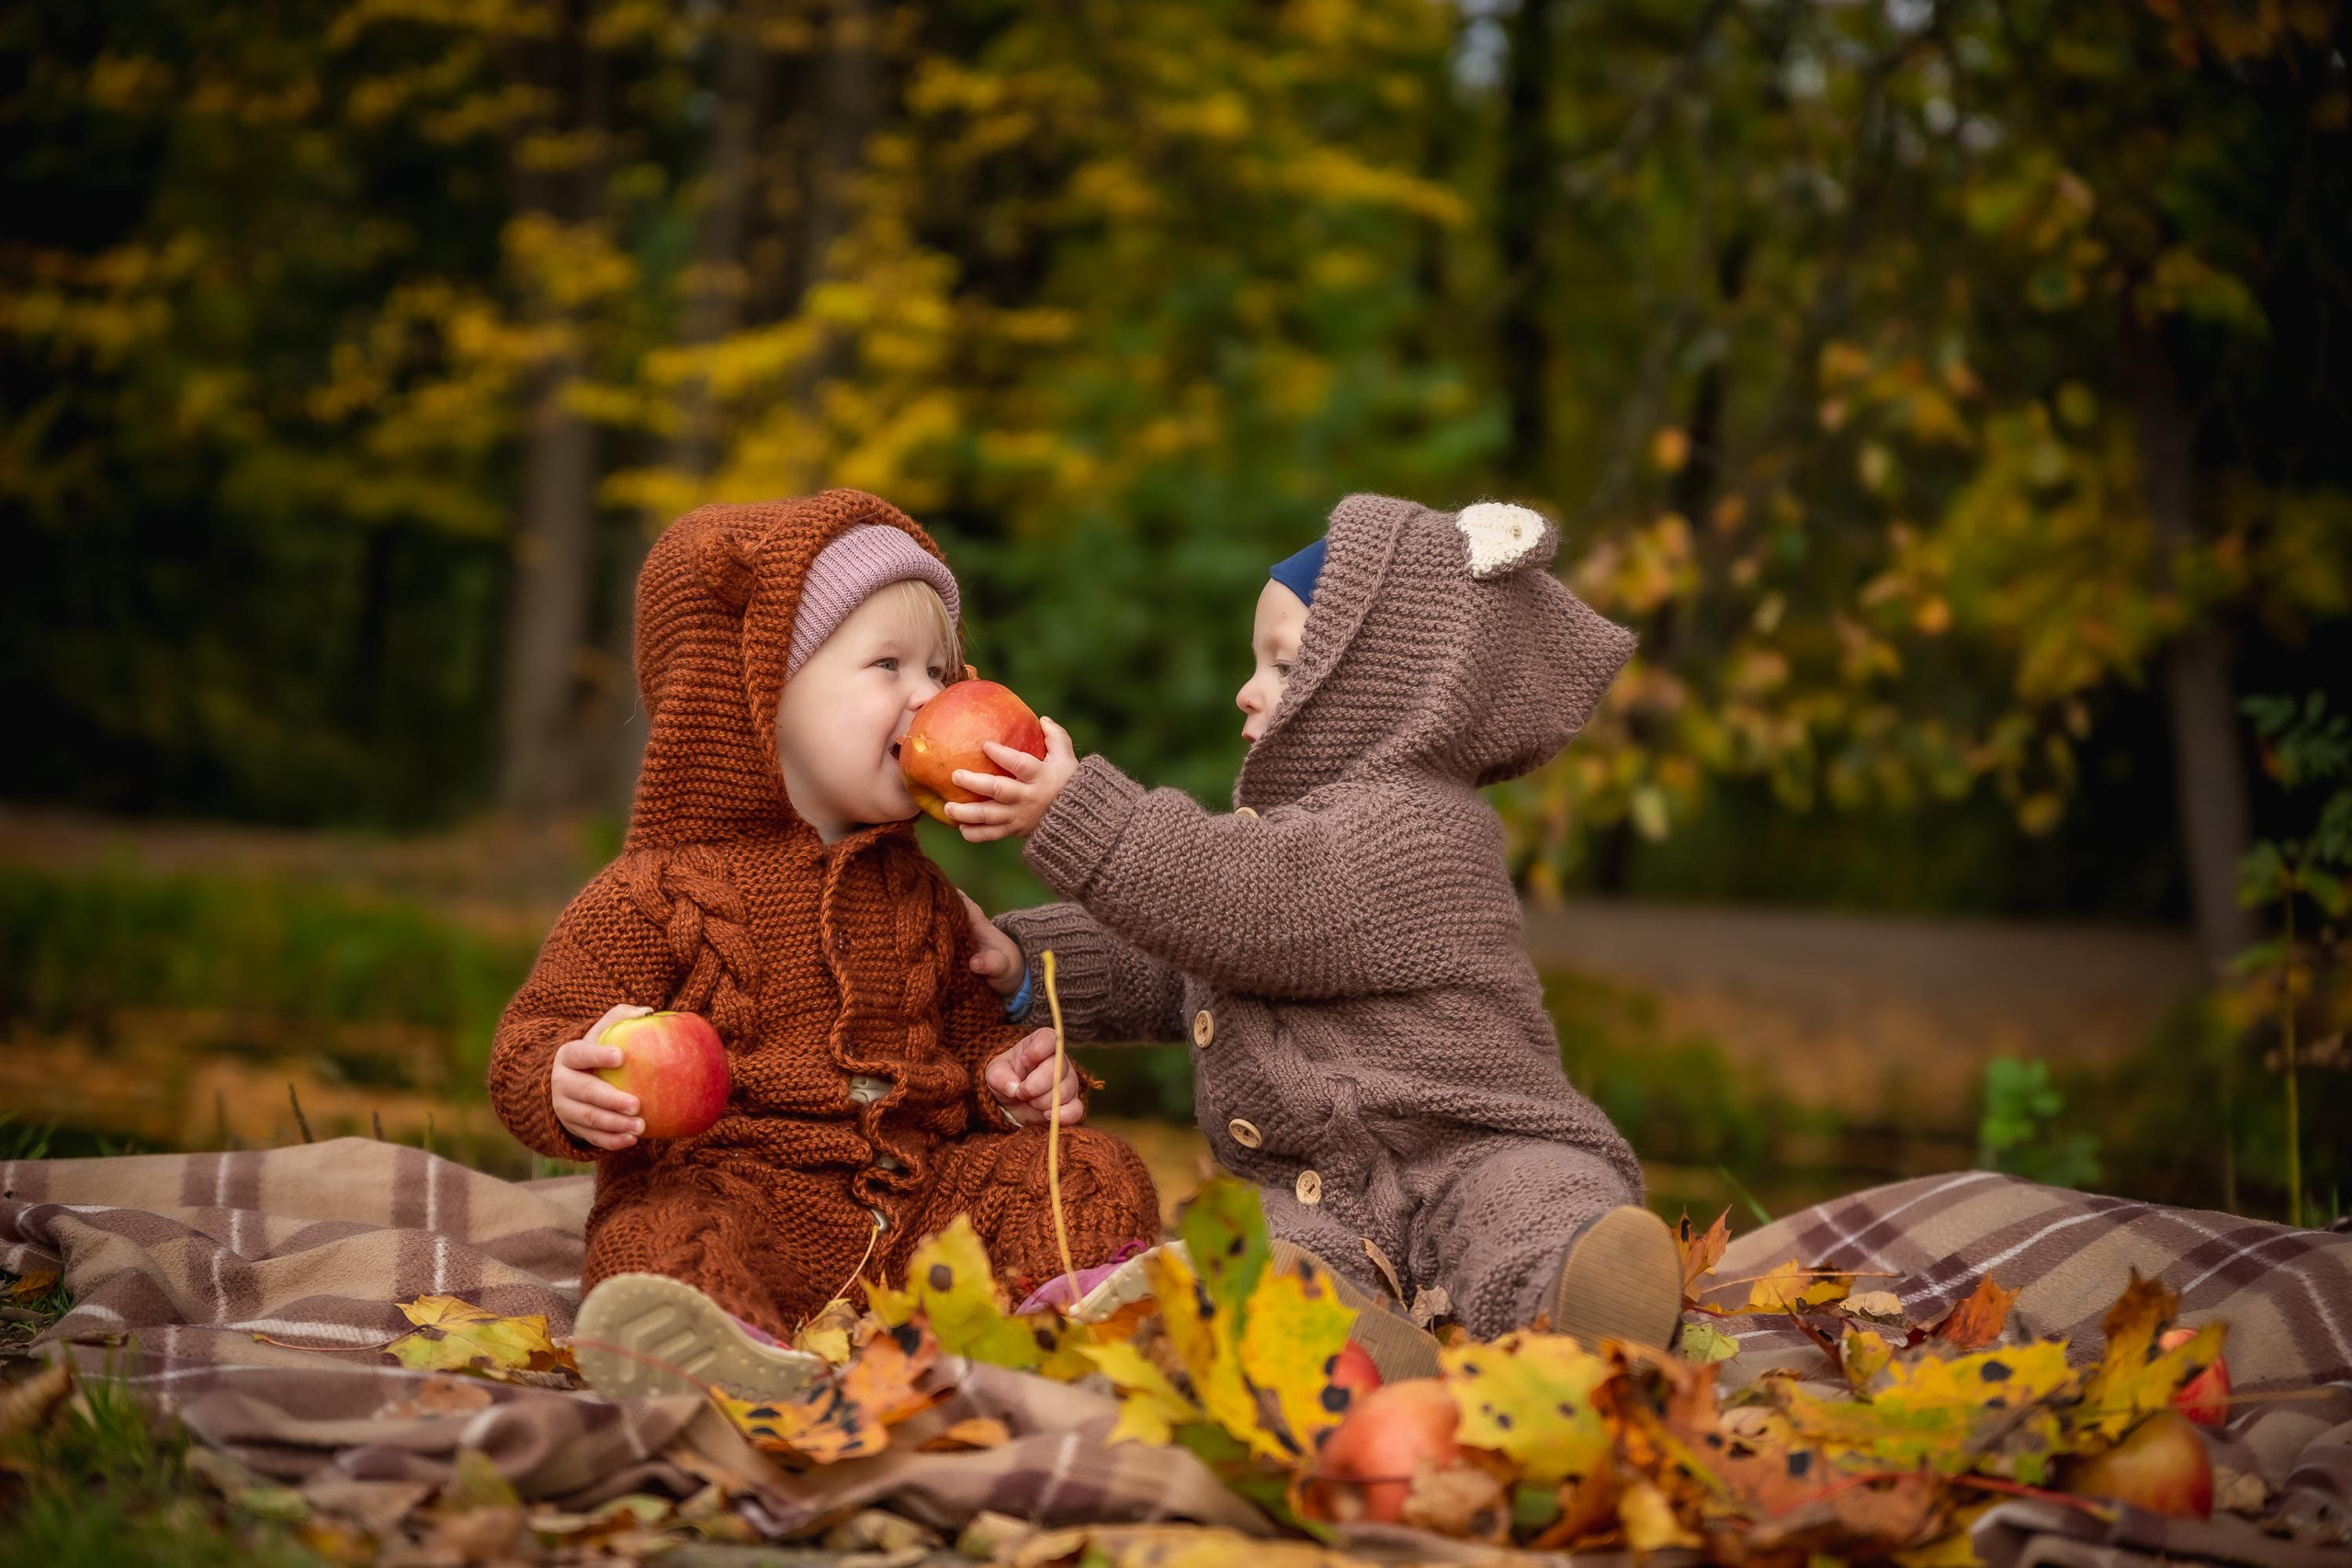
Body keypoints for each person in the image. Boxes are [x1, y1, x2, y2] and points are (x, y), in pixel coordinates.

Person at [951, 493, 1679, 1377]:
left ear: (1382, 702)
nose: (1245, 689)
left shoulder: (1413, 831)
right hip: (1317, 1195)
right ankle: (1351, 1348)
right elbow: (1185, 963)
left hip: (1474, 1147)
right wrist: (1030, 965)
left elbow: (1234, 905)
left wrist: (1076, 813)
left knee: (1530, 1212)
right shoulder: (1293, 842)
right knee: (1246, 1258)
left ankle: (1579, 1304)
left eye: (1284, 666)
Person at [486, 491, 1159, 1401]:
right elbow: (533, 1038)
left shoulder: (926, 898)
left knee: (1086, 1169)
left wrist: (1012, 1086)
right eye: (888, 665)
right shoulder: (656, 896)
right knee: (663, 1230)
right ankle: (710, 1347)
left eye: (941, 669)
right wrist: (564, 1081)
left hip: (918, 1219)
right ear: (756, 697)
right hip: (742, 1193)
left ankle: (1067, 1322)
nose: (931, 696)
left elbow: (964, 1047)